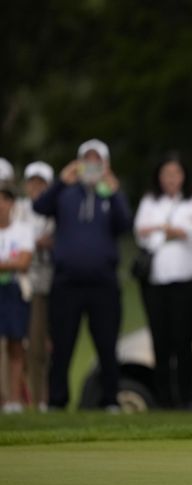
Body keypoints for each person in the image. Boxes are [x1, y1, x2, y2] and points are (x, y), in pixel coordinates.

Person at [33, 139, 132, 411]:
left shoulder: (109, 194)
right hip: (67, 282)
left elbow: (125, 225)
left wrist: (114, 191)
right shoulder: (65, 193)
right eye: (86, 160)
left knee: (107, 344)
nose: (91, 165)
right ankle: (56, 400)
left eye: (96, 160)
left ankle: (110, 399)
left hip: (103, 283)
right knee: (62, 345)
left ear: (105, 164)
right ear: (78, 163)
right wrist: (61, 182)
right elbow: (39, 207)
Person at [134, 154, 192, 409]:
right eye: (166, 174)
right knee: (160, 339)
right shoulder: (150, 200)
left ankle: (186, 396)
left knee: (183, 339)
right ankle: (163, 398)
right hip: (155, 281)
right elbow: (141, 232)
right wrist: (170, 229)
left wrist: (163, 228)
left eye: (176, 174)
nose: (171, 180)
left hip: (186, 281)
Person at [16, 162, 55, 411]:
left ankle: (43, 399)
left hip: (47, 283)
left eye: (41, 183)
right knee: (19, 346)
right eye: (33, 182)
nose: (36, 187)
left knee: (42, 347)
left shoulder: (55, 210)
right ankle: (21, 399)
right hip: (19, 283)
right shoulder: (17, 208)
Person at [0, 184, 34, 413]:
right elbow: (16, 262)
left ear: (12, 204)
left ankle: (13, 400)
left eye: (4, 200)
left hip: (14, 291)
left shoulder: (23, 230)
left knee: (15, 345)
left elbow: (23, 263)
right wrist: (9, 264)